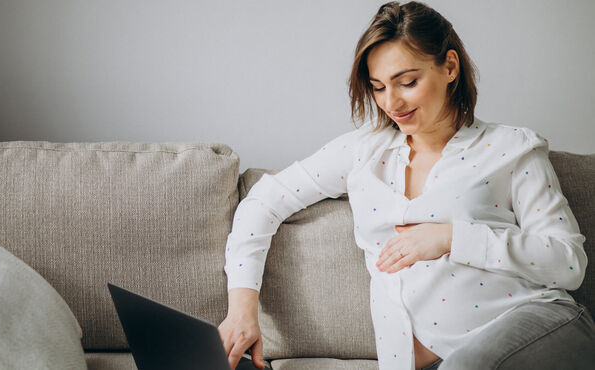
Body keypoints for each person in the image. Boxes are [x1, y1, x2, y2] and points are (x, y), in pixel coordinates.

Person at [218, 1, 595, 369]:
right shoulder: (362, 152)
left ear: (449, 66)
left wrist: (451, 238)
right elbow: (263, 201)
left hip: (540, 325)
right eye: (378, 87)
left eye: (408, 82)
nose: (391, 102)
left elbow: (568, 263)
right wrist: (241, 311)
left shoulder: (512, 148)